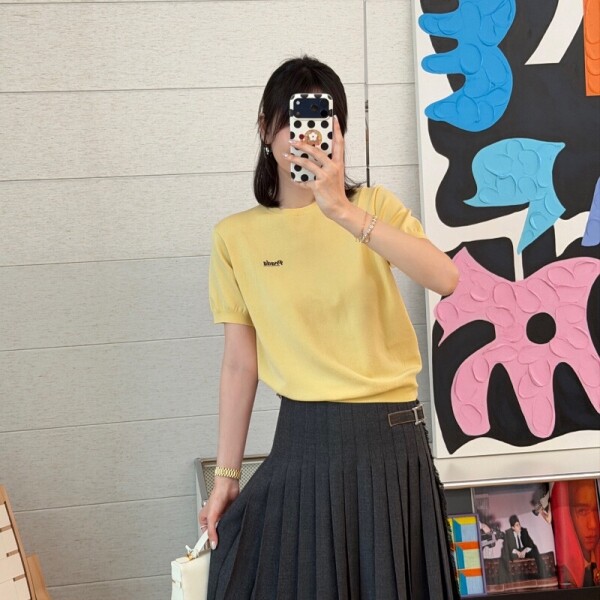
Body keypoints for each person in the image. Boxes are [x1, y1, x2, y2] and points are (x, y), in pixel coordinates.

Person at [199, 55, 460, 599]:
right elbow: (240, 364)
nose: (305, 136)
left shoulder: (372, 207)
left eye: (321, 122)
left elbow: (445, 277)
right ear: (266, 128)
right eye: (292, 121)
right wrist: (226, 477)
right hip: (304, 443)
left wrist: (341, 210)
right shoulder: (234, 237)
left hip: (389, 443)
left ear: (338, 132)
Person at [552, 479, 600, 588]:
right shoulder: (564, 575)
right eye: (582, 511)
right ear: (567, 516)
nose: (593, 524)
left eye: (596, 510)